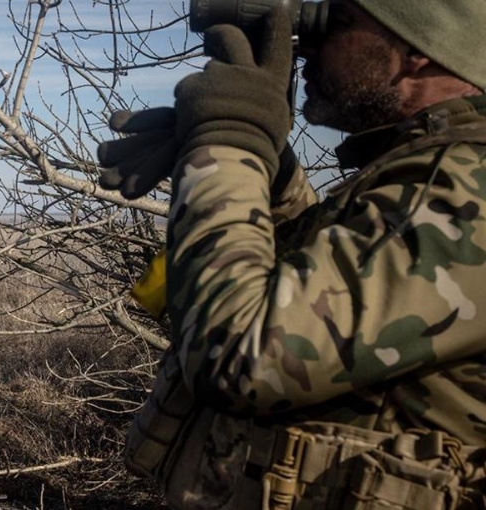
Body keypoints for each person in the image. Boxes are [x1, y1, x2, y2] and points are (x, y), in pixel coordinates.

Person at [99, 1, 486, 508]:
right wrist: (267, 168)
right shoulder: (432, 172)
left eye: (338, 22)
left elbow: (243, 352)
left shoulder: (465, 188)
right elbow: (319, 294)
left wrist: (229, 137)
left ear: (418, 50)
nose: (306, 47)